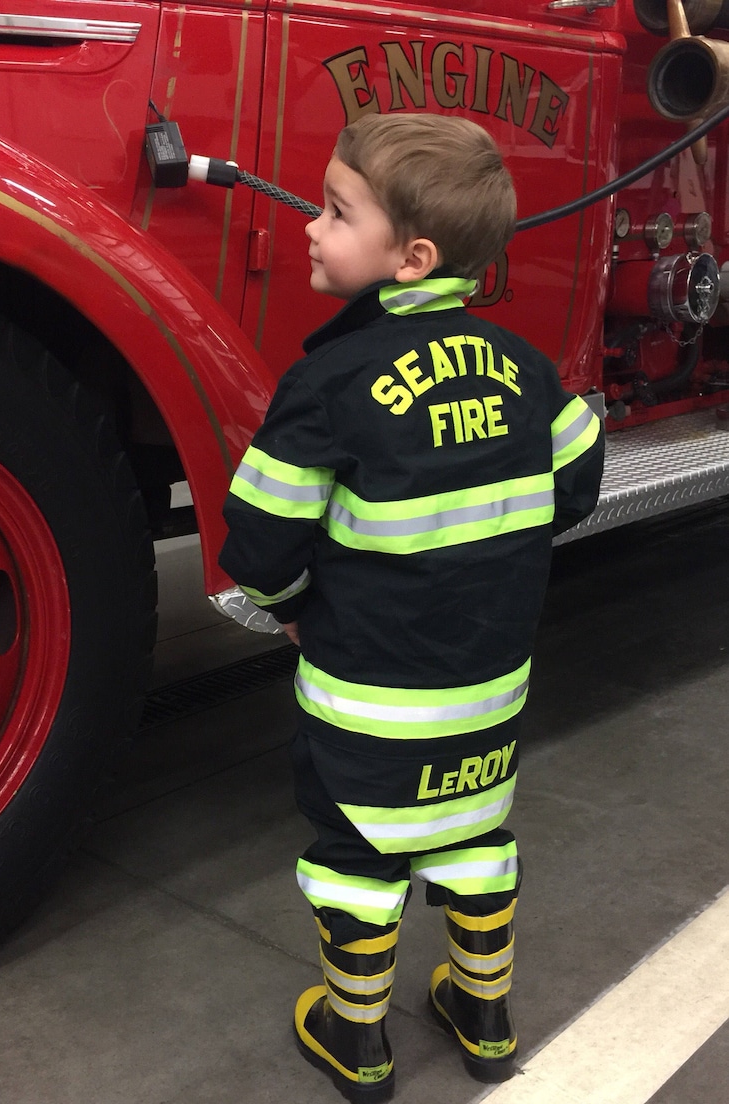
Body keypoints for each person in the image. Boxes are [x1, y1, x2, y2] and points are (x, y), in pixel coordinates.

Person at [219, 112, 604, 1102]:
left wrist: (292, 602)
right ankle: (481, 1017)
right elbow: (576, 479)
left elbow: (258, 540)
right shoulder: (522, 373)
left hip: (364, 701)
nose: (310, 225)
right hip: (486, 694)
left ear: (411, 256)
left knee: (356, 854)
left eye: (337, 211)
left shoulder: (327, 383)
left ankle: (356, 1041)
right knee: (474, 839)